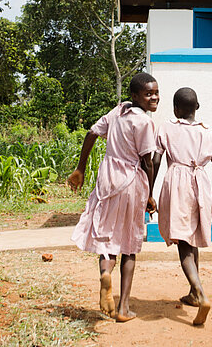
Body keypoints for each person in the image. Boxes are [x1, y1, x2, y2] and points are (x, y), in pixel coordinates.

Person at [67, 72, 159, 322]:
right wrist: (150, 195)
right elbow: (148, 162)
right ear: (135, 96)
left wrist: (80, 168)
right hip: (130, 181)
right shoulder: (144, 122)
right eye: (148, 94)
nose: (154, 98)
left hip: (107, 178)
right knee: (129, 245)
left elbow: (91, 133)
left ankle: (105, 274)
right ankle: (123, 308)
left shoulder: (117, 111)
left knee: (107, 236)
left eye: (156, 93)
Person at [152, 87, 212, 326]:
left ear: (176, 109)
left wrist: (149, 191)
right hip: (201, 183)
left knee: (183, 243)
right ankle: (193, 294)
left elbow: (155, 160)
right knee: (192, 238)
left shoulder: (167, 127)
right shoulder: (209, 132)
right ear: (198, 107)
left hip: (177, 183)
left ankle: (201, 294)